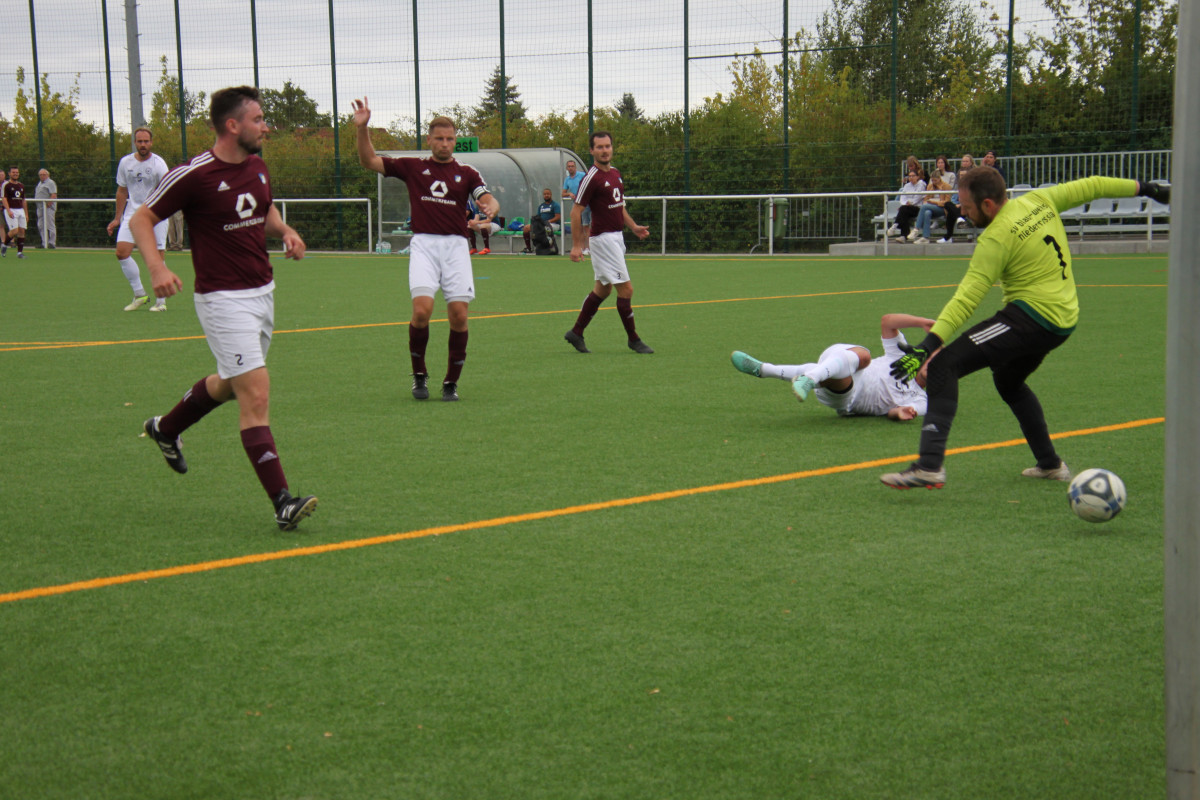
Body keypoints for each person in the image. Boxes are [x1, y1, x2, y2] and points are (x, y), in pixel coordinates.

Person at [879, 168, 1171, 489]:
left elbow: (967, 297)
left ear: (988, 205)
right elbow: (1095, 185)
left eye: (967, 206)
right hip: (1063, 319)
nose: (961, 211)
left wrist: (929, 345)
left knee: (943, 365)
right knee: (1008, 381)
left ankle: (929, 466)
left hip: (1031, 317)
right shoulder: (1040, 200)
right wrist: (1148, 188)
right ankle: (1050, 464)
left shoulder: (995, 237)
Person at [130, 86, 317, 531]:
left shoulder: (257, 166)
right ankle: (283, 502)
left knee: (232, 384)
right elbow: (141, 219)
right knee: (256, 394)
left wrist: (285, 231)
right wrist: (156, 268)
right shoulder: (193, 174)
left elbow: (264, 211)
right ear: (232, 125)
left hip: (263, 293)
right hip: (221, 299)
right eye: (258, 119)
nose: (266, 126)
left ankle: (166, 428)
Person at [350, 97, 499, 402]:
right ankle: (419, 376)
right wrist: (362, 129)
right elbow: (369, 161)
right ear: (429, 140)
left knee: (459, 316)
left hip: (456, 247)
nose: (445, 144)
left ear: (455, 140)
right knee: (422, 311)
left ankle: (451, 383)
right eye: (439, 138)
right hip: (424, 246)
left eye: (450, 139)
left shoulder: (467, 173)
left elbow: (488, 198)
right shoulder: (413, 167)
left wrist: (491, 209)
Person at [730, 314, 937, 420]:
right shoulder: (902, 357)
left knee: (839, 377)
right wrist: (921, 323)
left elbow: (897, 412)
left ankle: (767, 370)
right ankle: (802, 377)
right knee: (864, 355)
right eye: (934, 359)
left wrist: (901, 414)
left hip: (849, 397)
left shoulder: (922, 400)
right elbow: (887, 321)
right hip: (844, 359)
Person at [564, 130, 653, 355]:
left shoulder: (615, 173)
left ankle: (576, 332)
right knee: (626, 289)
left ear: (612, 148)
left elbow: (619, 205)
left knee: (602, 289)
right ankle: (633, 339)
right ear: (592, 151)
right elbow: (576, 212)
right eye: (600, 147)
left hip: (616, 237)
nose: (605, 151)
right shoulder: (591, 177)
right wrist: (576, 245)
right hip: (603, 240)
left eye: (607, 146)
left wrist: (633, 227)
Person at [107, 128, 170, 311]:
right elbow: (122, 190)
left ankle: (161, 302)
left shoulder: (159, 164)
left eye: (146, 141)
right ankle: (140, 294)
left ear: (151, 142)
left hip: (156, 214)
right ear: (135, 142)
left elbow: (167, 189)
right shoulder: (125, 162)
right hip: (132, 215)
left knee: (157, 258)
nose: (143, 145)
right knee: (121, 252)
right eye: (140, 141)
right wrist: (117, 218)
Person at [909, 173, 951, 244]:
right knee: (927, 212)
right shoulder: (930, 186)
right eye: (932, 180)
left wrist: (934, 202)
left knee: (924, 207)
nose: (934, 182)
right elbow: (926, 198)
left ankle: (916, 229)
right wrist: (927, 202)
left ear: (939, 179)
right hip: (930, 207)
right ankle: (925, 237)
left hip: (942, 208)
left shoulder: (946, 186)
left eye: (935, 180)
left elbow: (947, 202)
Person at [886, 168, 926, 241]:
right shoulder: (907, 186)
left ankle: (895, 226)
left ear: (917, 177)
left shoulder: (921, 184)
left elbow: (918, 197)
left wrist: (910, 203)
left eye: (913, 176)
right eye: (909, 176)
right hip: (907, 208)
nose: (911, 178)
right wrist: (905, 203)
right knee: (904, 212)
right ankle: (903, 236)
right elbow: (903, 197)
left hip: (917, 208)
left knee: (903, 210)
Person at [521, 188, 561, 253]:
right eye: (545, 194)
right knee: (526, 228)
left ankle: (549, 248)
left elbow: (558, 217)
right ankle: (528, 248)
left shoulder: (555, 205)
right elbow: (538, 217)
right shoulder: (541, 206)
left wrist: (548, 222)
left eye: (548, 194)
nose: (546, 195)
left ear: (551, 195)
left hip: (554, 224)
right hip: (542, 224)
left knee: (543, 229)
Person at [562, 158, 589, 254]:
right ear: (567, 168)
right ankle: (582, 248)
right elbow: (563, 193)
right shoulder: (567, 179)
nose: (570, 168)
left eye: (572, 166)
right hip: (576, 204)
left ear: (575, 167)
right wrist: (569, 194)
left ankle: (589, 248)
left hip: (585, 203)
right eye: (569, 166)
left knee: (587, 226)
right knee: (580, 227)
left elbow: (589, 184)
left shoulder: (582, 175)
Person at [1, 166, 28, 259]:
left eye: (16, 172)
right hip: (11, 209)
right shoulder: (6, 185)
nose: (15, 174)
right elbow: (4, 198)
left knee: (22, 231)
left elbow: (23, 200)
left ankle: (19, 253)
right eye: (13, 172)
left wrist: (26, 213)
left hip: (20, 210)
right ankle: (4, 245)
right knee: (14, 231)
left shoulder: (21, 185)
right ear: (9, 174)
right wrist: (8, 210)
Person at [34, 168, 57, 248]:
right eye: (41, 175)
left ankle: (52, 243)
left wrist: (48, 204)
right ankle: (44, 243)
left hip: (48, 207)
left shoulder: (50, 183)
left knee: (50, 225)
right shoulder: (39, 183)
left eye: (44, 174)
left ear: (48, 175)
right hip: (40, 208)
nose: (42, 176)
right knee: (41, 225)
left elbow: (53, 195)